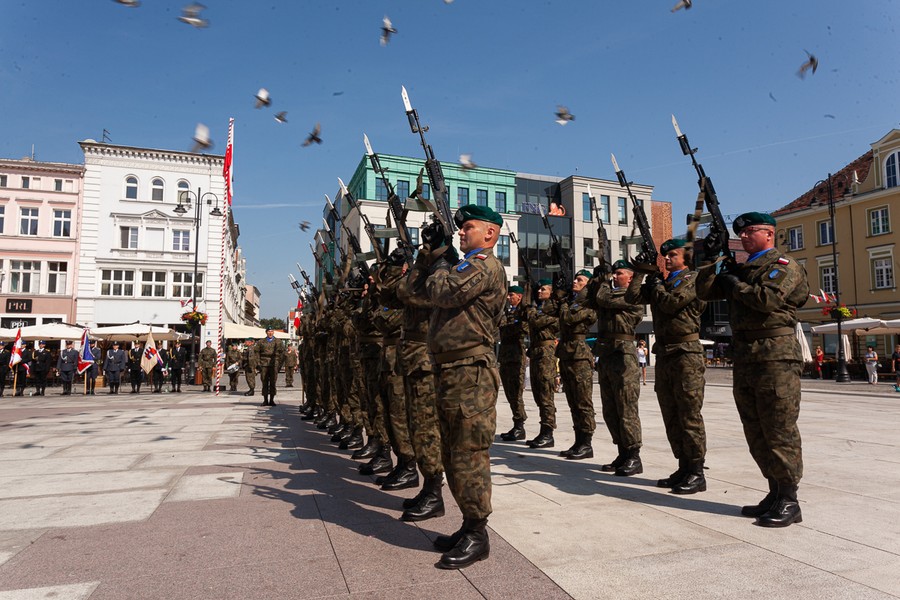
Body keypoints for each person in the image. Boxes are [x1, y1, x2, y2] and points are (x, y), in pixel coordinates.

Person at [696, 211, 808, 527]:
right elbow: (703, 292)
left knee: (779, 427)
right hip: (746, 355)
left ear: (769, 233)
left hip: (776, 356)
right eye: (740, 233)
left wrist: (735, 284)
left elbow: (766, 300)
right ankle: (774, 492)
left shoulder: (783, 266)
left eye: (751, 231)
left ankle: (789, 499)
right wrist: (710, 259)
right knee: (755, 428)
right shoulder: (743, 269)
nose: (744, 236)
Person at [414, 204, 507, 569]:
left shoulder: (483, 265)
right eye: (461, 227)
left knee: (468, 453)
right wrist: (442, 256)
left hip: (470, 372)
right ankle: (469, 525)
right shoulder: (465, 265)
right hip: (452, 369)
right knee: (453, 452)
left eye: (468, 227)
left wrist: (441, 260)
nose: (461, 232)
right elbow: (426, 292)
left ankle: (478, 534)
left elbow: (441, 291)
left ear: (490, 233)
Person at [626, 239, 708, 494]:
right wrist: (641, 273)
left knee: (689, 414)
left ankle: (696, 470)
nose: (668, 259)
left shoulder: (693, 279)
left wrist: (657, 284)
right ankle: (683, 466)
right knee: (671, 414)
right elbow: (632, 297)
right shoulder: (663, 281)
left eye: (673, 254)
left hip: (686, 353)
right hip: (665, 353)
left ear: (686, 257)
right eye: (666, 256)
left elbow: (672, 303)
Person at [587, 261, 645, 476]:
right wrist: (595, 280)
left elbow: (603, 299)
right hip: (607, 354)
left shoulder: (631, 296)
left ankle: (633, 455)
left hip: (623, 355)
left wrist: (602, 282)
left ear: (630, 278)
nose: (614, 276)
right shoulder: (607, 293)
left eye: (619, 273)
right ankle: (622, 452)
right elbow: (590, 300)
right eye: (613, 273)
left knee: (626, 407)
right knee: (610, 409)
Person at [555, 269, 598, 460]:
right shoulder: (572, 303)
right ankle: (578, 440)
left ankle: (586, 443)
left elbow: (567, 318)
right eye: (575, 279)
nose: (575, 282)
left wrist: (564, 302)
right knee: (572, 400)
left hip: (580, 355)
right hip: (566, 353)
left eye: (580, 280)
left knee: (583, 401)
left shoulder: (590, 304)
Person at [522, 279, 559, 448]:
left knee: (545, 394)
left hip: (546, 353)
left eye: (543, 289)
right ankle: (543, 430)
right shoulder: (539, 308)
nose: (539, 292)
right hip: (536, 351)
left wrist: (530, 305)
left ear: (551, 292)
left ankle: (548, 432)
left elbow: (534, 321)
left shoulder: (553, 309)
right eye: (538, 289)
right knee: (538, 393)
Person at [497, 285, 529, 442]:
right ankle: (516, 424)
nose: (509, 298)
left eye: (511, 295)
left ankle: (519, 425)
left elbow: (521, 329)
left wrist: (507, 328)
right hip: (505, 356)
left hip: (516, 357)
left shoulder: (523, 313)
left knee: (516, 393)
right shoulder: (507, 313)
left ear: (519, 297)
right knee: (509, 392)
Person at [256, 329, 285, 406]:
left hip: (274, 364)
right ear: (266, 332)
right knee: (264, 382)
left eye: (271, 331)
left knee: (273, 382)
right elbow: (256, 353)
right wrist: (258, 363)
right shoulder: (261, 341)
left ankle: (272, 400)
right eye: (269, 331)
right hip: (264, 364)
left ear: (273, 332)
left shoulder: (278, 341)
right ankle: (265, 400)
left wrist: (280, 364)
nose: (270, 333)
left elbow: (283, 353)